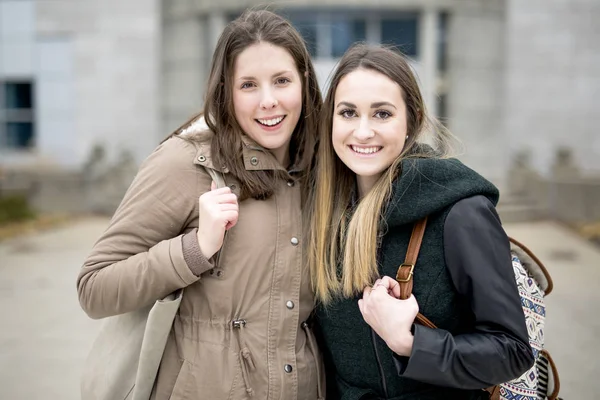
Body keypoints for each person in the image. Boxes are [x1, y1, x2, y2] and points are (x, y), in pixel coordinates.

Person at [77, 9, 324, 400]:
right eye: (248, 85)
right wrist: (194, 250)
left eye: (281, 81)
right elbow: (94, 287)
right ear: (225, 91)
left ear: (304, 83)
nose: (269, 101)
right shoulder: (185, 162)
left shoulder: (322, 170)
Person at [307, 43, 534, 400]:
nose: (363, 132)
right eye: (348, 113)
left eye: (382, 114)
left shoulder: (460, 212)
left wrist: (409, 342)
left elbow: (512, 351)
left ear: (410, 120)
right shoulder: (323, 215)